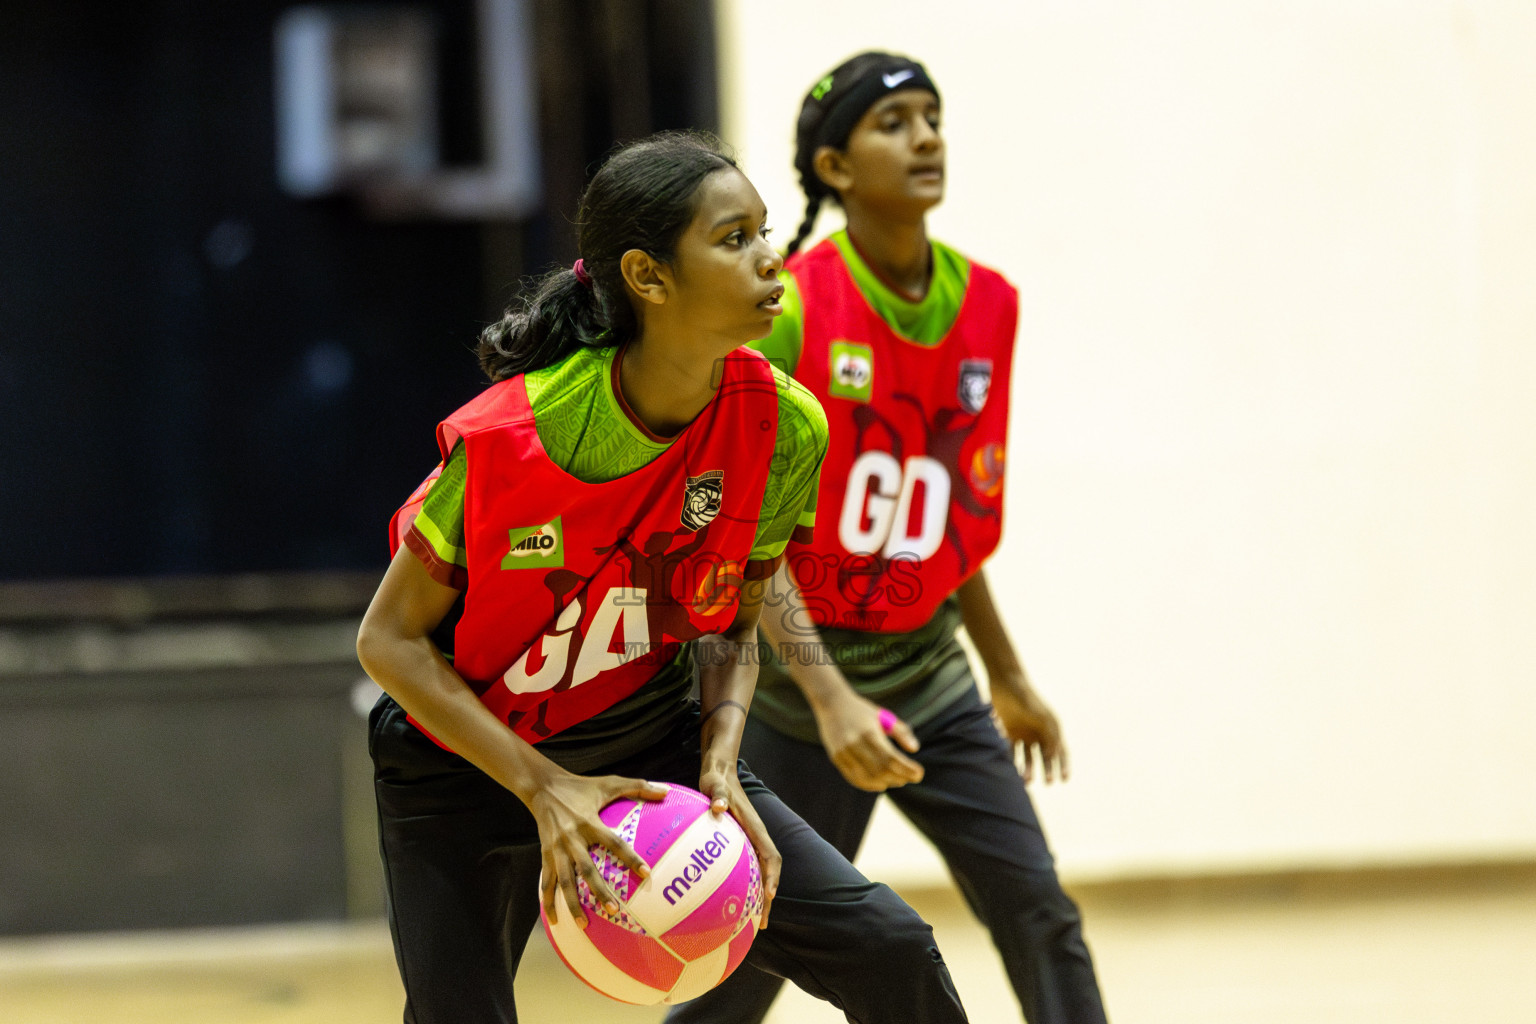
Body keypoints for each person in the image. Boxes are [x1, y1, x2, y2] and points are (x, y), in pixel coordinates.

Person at [355, 131, 970, 1024]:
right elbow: (388, 641)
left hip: (648, 737)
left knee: (889, 946)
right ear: (647, 276)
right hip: (465, 762)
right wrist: (543, 787)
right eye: (734, 239)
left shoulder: (785, 424)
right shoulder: (512, 438)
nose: (771, 259)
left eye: (765, 232)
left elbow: (733, 621)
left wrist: (721, 752)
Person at [664, 56, 1109, 1024]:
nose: (926, 138)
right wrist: (829, 698)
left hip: (931, 677)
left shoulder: (988, 302)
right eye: (894, 122)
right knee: (752, 952)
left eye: (933, 117)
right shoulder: (790, 309)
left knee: (1040, 909)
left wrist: (1007, 673)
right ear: (833, 164)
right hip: (800, 687)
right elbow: (747, 539)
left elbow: (949, 513)